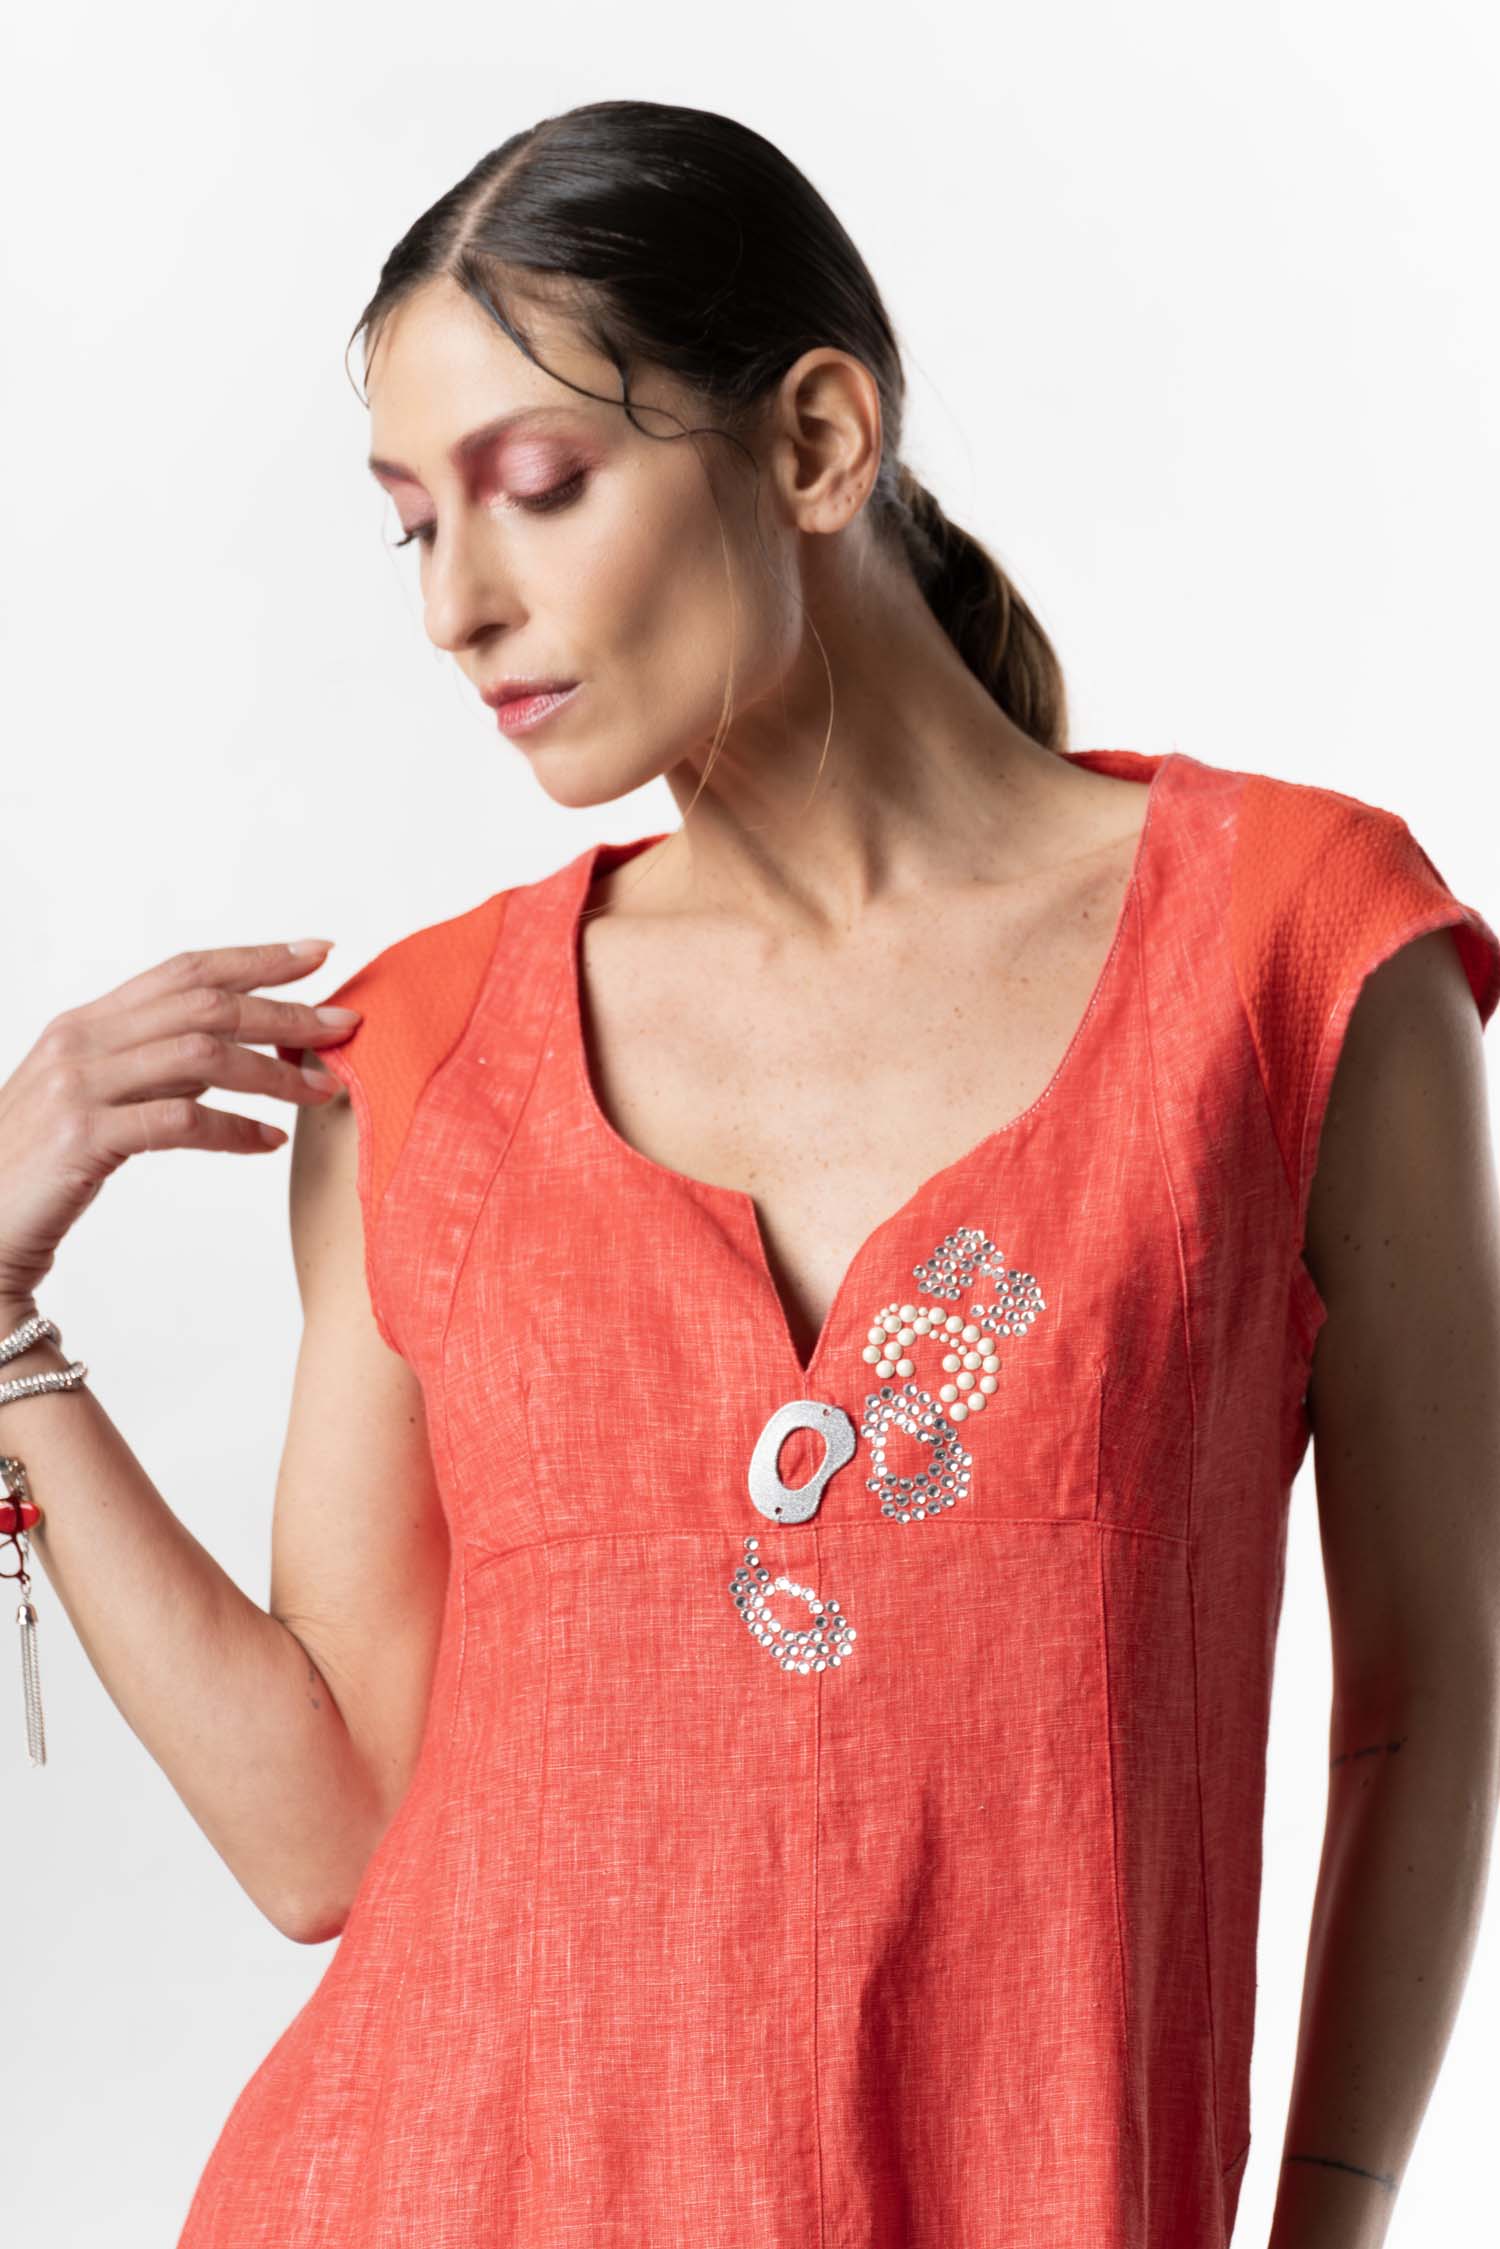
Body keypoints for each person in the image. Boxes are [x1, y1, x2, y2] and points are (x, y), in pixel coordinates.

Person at [3, 97, 1497, 2249]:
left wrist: (1331, 2218)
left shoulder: (1297, 955)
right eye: (411, 526)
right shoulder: (423, 1057)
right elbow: (324, 1833)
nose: (458, 604)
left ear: (812, 441)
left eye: (537, 485)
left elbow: (1424, 1699)